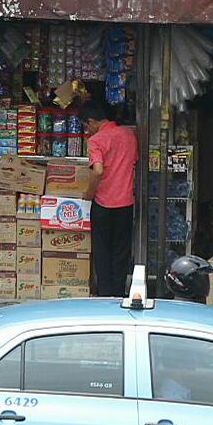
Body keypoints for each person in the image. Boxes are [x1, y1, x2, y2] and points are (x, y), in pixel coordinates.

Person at [80, 100, 137, 299]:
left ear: (91, 121)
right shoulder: (128, 135)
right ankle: (119, 294)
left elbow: (98, 170)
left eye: (86, 126)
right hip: (125, 204)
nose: (87, 131)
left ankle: (105, 297)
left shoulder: (96, 140)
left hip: (104, 205)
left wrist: (89, 193)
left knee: (102, 254)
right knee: (120, 253)